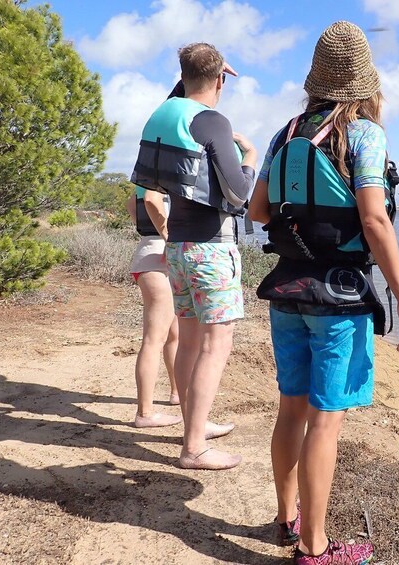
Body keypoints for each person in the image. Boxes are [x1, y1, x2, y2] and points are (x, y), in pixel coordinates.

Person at [248, 21, 399, 565]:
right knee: (325, 421)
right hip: (340, 300)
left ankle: (286, 519)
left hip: (287, 291)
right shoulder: (367, 136)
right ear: (367, 85)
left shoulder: (286, 133)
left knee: (291, 410)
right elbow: (374, 219)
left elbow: (256, 212)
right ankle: (315, 549)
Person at [131, 42, 257, 470]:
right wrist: (251, 160)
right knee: (216, 344)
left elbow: (179, 97)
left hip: (176, 249)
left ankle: (194, 429)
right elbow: (238, 193)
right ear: (222, 79)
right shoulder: (212, 120)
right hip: (210, 249)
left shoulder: (163, 115)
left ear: (182, 75)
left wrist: (200, 69)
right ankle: (194, 448)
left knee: (188, 340)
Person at [126, 187, 182, 428]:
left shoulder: (149, 177)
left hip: (151, 254)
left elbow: (132, 204)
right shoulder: (158, 178)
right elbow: (150, 199)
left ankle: (176, 392)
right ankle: (145, 413)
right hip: (157, 259)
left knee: (174, 334)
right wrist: (168, 237)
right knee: (154, 340)